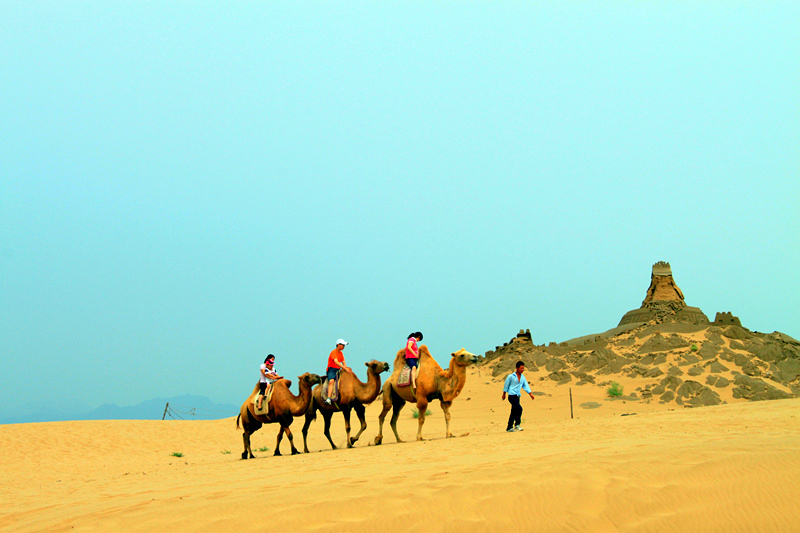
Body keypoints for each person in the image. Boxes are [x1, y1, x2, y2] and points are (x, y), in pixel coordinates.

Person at [502, 360, 535, 432]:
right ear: (517, 368)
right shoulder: (511, 376)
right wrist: (504, 394)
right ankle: (517, 425)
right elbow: (506, 385)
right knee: (519, 409)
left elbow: (525, 386)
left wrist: (530, 394)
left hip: (517, 396)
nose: (522, 370)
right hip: (511, 395)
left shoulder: (523, 377)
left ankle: (509, 427)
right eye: (521, 368)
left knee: (513, 411)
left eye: (523, 368)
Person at [325, 339, 354, 405]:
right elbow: (336, 362)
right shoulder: (334, 352)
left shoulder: (341, 353)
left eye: (344, 345)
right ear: (338, 345)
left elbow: (343, 361)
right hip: (332, 370)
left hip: (338, 370)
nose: (344, 346)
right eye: (342, 345)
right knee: (331, 381)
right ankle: (329, 398)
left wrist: (345, 367)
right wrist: (344, 368)